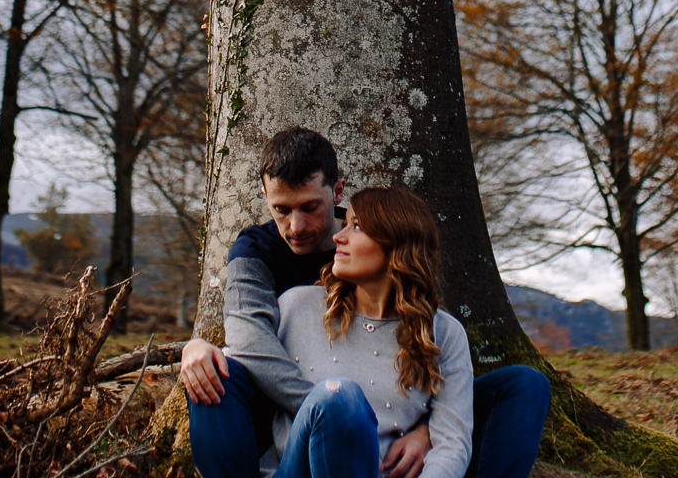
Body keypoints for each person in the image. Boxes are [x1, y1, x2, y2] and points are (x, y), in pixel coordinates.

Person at [182, 128, 549, 478]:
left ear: (337, 193)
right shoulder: (276, 277)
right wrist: (196, 347)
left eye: (311, 208)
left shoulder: (441, 329)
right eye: (281, 210)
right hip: (306, 442)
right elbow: (247, 345)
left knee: (525, 385)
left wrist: (428, 428)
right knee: (332, 395)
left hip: (387, 451)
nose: (296, 226)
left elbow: (450, 435)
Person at [263, 187, 472, 478]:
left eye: (357, 226)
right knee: (338, 396)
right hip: (296, 471)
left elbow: (452, 443)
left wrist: (427, 433)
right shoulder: (296, 307)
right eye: (345, 223)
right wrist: (200, 349)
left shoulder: (444, 334)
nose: (339, 236)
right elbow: (244, 369)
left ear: (396, 245)